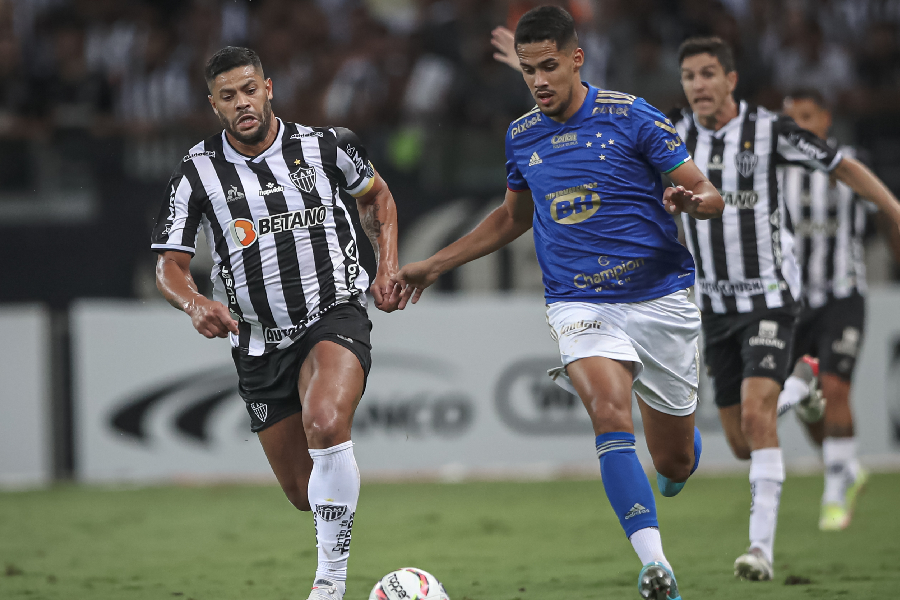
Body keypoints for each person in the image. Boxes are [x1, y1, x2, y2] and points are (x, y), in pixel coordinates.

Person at [395, 7, 723, 600]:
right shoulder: (522, 136)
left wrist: (691, 201)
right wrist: (433, 264)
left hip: (659, 298)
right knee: (607, 411)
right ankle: (655, 566)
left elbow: (708, 192)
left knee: (674, 462)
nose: (539, 81)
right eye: (528, 71)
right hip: (578, 300)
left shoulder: (631, 116)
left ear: (577, 59)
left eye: (549, 66)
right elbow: (511, 219)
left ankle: (679, 451)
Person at [151, 46, 402, 600]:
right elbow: (170, 265)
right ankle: (341, 526)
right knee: (302, 491)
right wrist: (195, 303)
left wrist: (385, 269)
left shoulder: (328, 146)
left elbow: (377, 197)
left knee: (327, 421)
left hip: (332, 310)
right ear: (212, 105)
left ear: (269, 88)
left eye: (248, 89)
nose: (241, 103)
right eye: (227, 96)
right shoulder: (196, 172)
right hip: (259, 342)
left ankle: (328, 587)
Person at [672, 37, 900, 581]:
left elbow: (840, 165)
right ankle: (805, 385)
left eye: (708, 74)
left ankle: (760, 551)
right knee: (740, 441)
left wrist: (893, 206)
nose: (699, 85)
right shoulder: (671, 135)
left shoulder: (770, 130)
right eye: (689, 76)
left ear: (731, 79)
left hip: (770, 299)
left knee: (756, 416)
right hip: (714, 306)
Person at [778, 88, 878, 531]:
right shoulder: (775, 168)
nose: (798, 125)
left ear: (825, 120)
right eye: (790, 118)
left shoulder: (851, 162)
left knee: (835, 386)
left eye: (806, 116)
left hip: (843, 292)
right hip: (793, 300)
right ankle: (843, 469)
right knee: (806, 402)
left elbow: (882, 213)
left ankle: (836, 491)